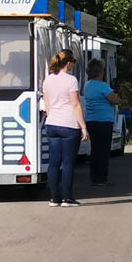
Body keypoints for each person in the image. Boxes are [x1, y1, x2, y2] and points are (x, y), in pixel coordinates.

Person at [43, 49, 88, 207]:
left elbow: (47, 104)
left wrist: (52, 115)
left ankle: (54, 198)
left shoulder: (48, 80)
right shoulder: (71, 80)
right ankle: (67, 198)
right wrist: (83, 127)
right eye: (73, 63)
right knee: (68, 163)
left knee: (54, 162)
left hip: (52, 123)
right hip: (69, 125)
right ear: (68, 63)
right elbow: (75, 104)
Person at [84, 59, 121, 186]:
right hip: (104, 120)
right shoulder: (103, 86)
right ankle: (101, 178)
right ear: (100, 71)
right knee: (104, 151)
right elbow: (115, 100)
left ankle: (94, 176)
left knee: (95, 149)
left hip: (91, 120)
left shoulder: (87, 85)